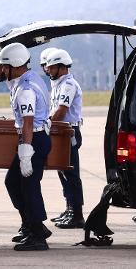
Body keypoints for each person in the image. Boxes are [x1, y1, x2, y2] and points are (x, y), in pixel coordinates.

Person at [0, 42, 52, 251]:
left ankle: (38, 235)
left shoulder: (25, 89)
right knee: (14, 182)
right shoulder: (29, 79)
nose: (2, 70)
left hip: (34, 140)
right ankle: (33, 225)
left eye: (5, 65)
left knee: (29, 187)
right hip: (35, 138)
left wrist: (25, 153)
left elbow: (28, 122)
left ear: (14, 64)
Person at [45, 49, 85, 229]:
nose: (48, 70)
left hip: (68, 132)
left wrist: (47, 125)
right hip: (61, 132)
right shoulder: (59, 84)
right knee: (63, 172)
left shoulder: (68, 84)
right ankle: (69, 209)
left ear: (61, 67)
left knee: (71, 173)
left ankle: (77, 214)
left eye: (52, 67)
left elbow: (61, 111)